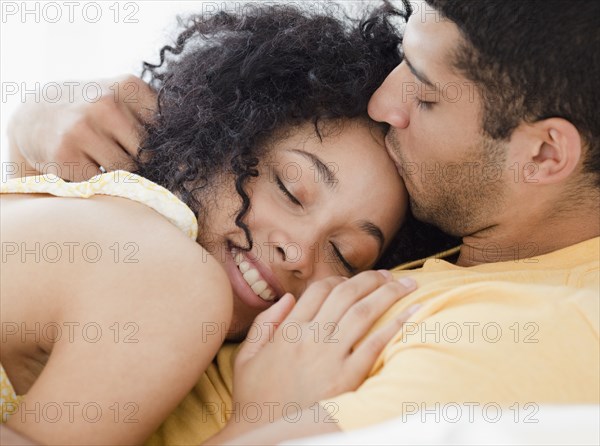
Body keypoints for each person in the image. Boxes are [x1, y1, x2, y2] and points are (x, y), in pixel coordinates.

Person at [9, 0, 597, 444]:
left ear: (545, 155)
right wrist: (40, 123)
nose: (384, 104)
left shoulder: (525, 337)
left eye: (425, 96)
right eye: (292, 188)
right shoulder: (163, 271)